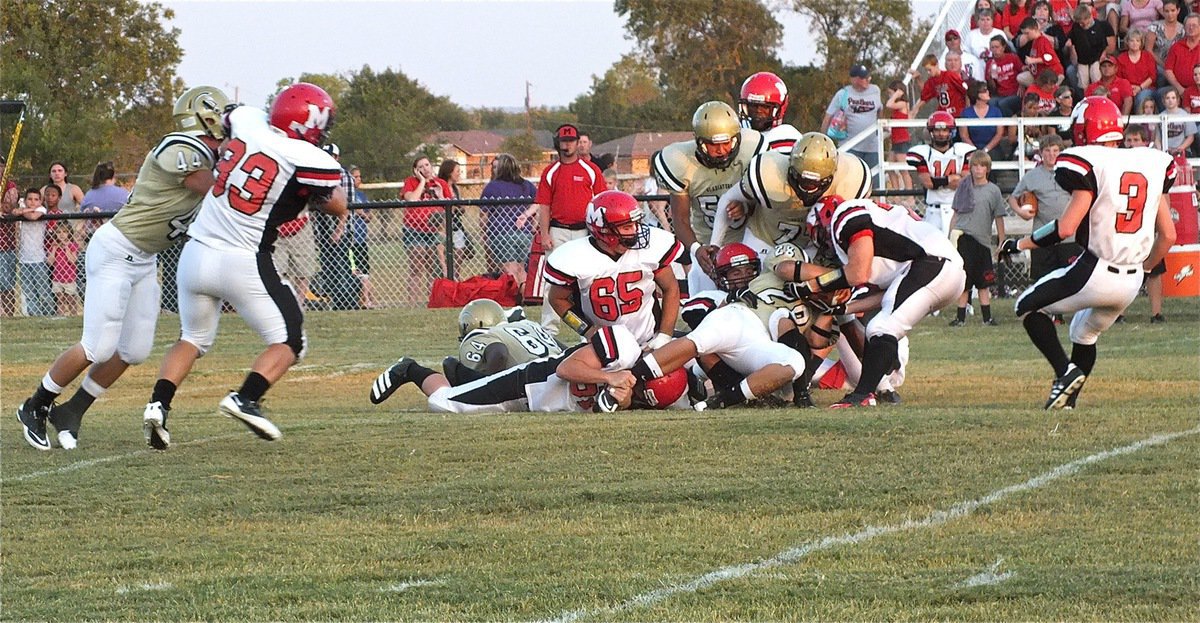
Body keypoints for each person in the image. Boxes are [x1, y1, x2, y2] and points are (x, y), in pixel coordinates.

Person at [13, 86, 232, 451]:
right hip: (117, 250)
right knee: (97, 345)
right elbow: (210, 187)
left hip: (145, 259)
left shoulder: (209, 158)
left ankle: (72, 411)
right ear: (207, 118)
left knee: (133, 350)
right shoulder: (179, 146)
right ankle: (34, 405)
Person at [141, 82, 346, 448]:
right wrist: (325, 160)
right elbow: (338, 205)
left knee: (192, 337)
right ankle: (246, 397)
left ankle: (158, 405)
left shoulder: (248, 120)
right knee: (290, 340)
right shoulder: (310, 158)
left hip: (196, 253)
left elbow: (227, 125)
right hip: (243, 258)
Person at [1001, 96, 1177, 409]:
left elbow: (1066, 228)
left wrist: (1020, 244)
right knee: (1083, 333)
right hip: (1132, 278)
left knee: (1026, 306)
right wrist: (1147, 268)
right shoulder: (1152, 162)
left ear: (1084, 129)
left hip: (1096, 270)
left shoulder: (1089, 161)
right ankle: (1067, 403)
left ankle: (1064, 372)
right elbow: (1169, 235)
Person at [799, 195, 966, 408]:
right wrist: (844, 307)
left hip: (933, 262)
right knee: (884, 322)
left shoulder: (845, 215)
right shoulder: (883, 250)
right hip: (940, 271)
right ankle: (878, 385)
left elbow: (858, 273)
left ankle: (861, 395)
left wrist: (813, 286)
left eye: (822, 237)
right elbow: (886, 295)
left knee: (881, 327)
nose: (828, 246)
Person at [627, 243, 821, 411]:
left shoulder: (788, 304)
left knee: (794, 361)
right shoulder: (716, 299)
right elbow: (700, 325)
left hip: (760, 355)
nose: (742, 278)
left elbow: (815, 340)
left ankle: (728, 399)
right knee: (700, 345)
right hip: (716, 355)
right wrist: (729, 299)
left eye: (748, 271)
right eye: (736, 272)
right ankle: (629, 379)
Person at [369, 325, 689, 414]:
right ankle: (410, 370)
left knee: (458, 398)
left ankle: (461, 377)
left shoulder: (633, 395)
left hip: (536, 405)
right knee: (443, 404)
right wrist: (608, 378)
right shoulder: (623, 347)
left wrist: (625, 398)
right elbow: (566, 368)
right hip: (527, 383)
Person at [543, 190, 682, 349]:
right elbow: (557, 299)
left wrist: (664, 335)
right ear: (604, 230)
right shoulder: (577, 257)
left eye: (636, 224)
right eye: (627, 227)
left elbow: (671, 288)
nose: (635, 232)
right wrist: (587, 330)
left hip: (649, 339)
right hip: (606, 346)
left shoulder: (649, 249)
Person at [653, 102, 765, 294]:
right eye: (713, 144)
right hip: (709, 243)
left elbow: (765, 201)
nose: (721, 150)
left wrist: (747, 207)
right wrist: (696, 249)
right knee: (705, 300)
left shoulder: (752, 148)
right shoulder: (679, 161)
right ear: (699, 141)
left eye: (726, 142)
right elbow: (679, 218)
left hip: (749, 240)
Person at [710, 132, 871, 260]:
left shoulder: (852, 180)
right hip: (764, 242)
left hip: (814, 249)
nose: (807, 190)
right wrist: (715, 245)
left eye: (814, 184)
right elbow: (728, 199)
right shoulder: (767, 174)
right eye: (802, 181)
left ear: (831, 177)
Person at [534, 123, 607, 331]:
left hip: (585, 231)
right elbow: (544, 206)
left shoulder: (591, 170)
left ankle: (590, 329)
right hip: (559, 231)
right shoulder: (551, 172)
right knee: (553, 280)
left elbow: (600, 201)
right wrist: (545, 233)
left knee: (588, 281)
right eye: (564, 141)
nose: (567, 145)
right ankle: (549, 329)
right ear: (558, 144)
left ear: (577, 143)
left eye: (571, 141)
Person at [1010, 134, 1080, 297]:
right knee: (1044, 279)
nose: (1051, 154)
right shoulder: (1032, 176)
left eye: (1055, 150)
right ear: (1041, 153)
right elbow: (1013, 198)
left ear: (1061, 152)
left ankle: (1070, 312)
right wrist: (1021, 212)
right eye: (1047, 151)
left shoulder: (1072, 173)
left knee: (1072, 277)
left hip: (1070, 234)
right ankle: (1049, 313)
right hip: (1044, 232)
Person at [439, 298, 564, 385]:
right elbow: (566, 350)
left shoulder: (482, 334)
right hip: (563, 377)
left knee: (450, 364)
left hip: (534, 383)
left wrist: (490, 386)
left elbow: (499, 353)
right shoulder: (529, 325)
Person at [948, 150, 1008, 326]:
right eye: (975, 165)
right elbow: (956, 214)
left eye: (982, 166)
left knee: (983, 282)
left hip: (982, 240)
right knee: (964, 282)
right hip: (964, 237)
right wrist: (949, 237)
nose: (978, 169)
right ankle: (960, 317)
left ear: (987, 169)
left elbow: (998, 217)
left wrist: (1001, 241)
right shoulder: (964, 188)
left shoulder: (993, 191)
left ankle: (987, 317)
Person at [1122, 126, 1169, 322]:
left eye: (1135, 140)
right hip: (1124, 222)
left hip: (1147, 221)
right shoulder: (1118, 161)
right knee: (1122, 268)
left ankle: (1156, 313)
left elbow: (1163, 192)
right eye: (1129, 140)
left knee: (1154, 269)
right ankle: (1118, 313)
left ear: (1144, 141)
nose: (1132, 144)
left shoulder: (1153, 163)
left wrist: (1164, 221)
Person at [906, 111, 978, 236]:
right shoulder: (923, 153)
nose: (941, 134)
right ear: (931, 132)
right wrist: (949, 180)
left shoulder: (962, 151)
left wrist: (938, 182)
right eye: (937, 130)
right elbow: (928, 183)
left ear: (951, 131)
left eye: (945, 130)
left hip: (957, 210)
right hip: (933, 212)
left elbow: (964, 182)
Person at [400, 155, 452, 306]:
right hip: (414, 230)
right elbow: (412, 199)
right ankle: (412, 304)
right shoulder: (410, 182)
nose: (425, 169)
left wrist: (440, 194)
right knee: (416, 267)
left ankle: (433, 302)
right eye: (421, 167)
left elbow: (451, 207)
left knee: (433, 268)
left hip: (435, 231)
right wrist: (422, 182)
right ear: (415, 170)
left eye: (427, 165)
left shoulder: (440, 183)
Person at [480, 153, 536, 289]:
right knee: (522, 269)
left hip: (501, 233)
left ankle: (514, 297)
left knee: (509, 270)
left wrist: (483, 233)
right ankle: (524, 296)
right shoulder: (527, 185)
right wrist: (527, 215)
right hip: (524, 234)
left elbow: (483, 214)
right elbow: (539, 201)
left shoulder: (492, 187)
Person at [78, 161, 129, 297]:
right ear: (113, 176)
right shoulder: (123, 194)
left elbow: (83, 215)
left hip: (95, 240)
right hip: (118, 240)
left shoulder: (90, 195)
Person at [820, 65, 883, 169]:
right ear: (854, 79)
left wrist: (880, 125)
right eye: (863, 78)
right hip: (849, 146)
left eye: (868, 77)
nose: (868, 80)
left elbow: (880, 109)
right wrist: (822, 141)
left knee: (874, 180)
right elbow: (828, 117)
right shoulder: (842, 94)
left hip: (872, 147)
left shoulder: (875, 90)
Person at [738, 71, 802, 153]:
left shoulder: (785, 134)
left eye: (765, 107)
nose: (758, 111)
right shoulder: (738, 135)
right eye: (752, 106)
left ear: (780, 108)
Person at [13, 187, 53, 316]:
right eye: (29, 199)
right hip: (24, 259)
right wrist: (23, 210)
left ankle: (49, 312)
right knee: (28, 290)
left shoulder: (41, 209)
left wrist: (23, 210)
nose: (33, 202)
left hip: (39, 258)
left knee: (43, 289)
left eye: (36, 199)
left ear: (40, 201)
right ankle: (34, 314)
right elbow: (14, 212)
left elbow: (33, 216)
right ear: (25, 200)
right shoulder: (26, 208)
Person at [436, 158, 471, 276]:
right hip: (442, 226)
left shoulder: (456, 189)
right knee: (442, 254)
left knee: (459, 253)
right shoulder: (439, 186)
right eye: (457, 171)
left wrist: (459, 207)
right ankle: (446, 276)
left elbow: (460, 208)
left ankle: (455, 276)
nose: (459, 174)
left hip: (456, 224)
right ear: (449, 172)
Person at [959, 82, 1010, 160]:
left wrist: (985, 150)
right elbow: (964, 136)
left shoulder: (996, 111)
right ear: (976, 94)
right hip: (971, 149)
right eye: (984, 90)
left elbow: (999, 134)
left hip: (992, 149)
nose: (988, 92)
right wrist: (974, 150)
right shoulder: (966, 113)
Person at [347, 165, 375, 309]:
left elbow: (368, 215)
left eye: (359, 176)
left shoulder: (362, 196)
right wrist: (361, 213)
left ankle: (368, 299)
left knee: (365, 271)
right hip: (351, 240)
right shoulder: (347, 194)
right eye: (356, 176)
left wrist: (364, 214)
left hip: (361, 239)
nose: (359, 179)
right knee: (354, 270)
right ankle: (362, 299)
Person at [1116, 29, 1160, 113]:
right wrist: (1129, 88)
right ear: (1127, 42)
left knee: (1142, 96)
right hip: (1127, 89)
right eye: (1131, 40)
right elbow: (1119, 78)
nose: (1134, 43)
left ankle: (1140, 124)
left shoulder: (1147, 56)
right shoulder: (1121, 58)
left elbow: (1152, 76)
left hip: (1146, 88)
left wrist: (1140, 88)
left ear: (1141, 43)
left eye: (1137, 40)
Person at [884, 81, 914, 202]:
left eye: (891, 93)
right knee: (890, 168)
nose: (890, 96)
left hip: (902, 140)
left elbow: (889, 104)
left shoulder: (902, 103)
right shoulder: (897, 108)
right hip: (895, 140)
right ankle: (896, 195)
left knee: (903, 170)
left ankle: (910, 197)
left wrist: (896, 95)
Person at [1160, 14, 1200, 105]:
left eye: (1194, 25)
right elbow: (1168, 70)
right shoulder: (1176, 47)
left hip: (1199, 88)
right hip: (1178, 88)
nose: (1190, 28)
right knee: (1161, 93)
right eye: (1188, 26)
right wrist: (1180, 89)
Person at [916, 52, 970, 117]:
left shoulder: (949, 75)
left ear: (936, 65)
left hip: (958, 113)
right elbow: (924, 94)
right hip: (944, 114)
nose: (928, 72)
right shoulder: (931, 81)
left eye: (930, 70)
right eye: (926, 70)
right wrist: (918, 78)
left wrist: (967, 109)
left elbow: (966, 91)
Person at [1017, 17, 1066, 87]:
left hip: (1053, 74)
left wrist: (1033, 60)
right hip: (1041, 75)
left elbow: (1050, 57)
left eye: (1027, 33)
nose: (1025, 36)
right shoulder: (1034, 41)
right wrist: (1029, 67)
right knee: (1021, 77)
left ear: (1035, 29)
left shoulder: (1043, 41)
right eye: (1024, 34)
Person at [45, 225, 80, 316]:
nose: (61, 235)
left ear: (69, 233)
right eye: (59, 232)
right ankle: (61, 315)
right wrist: (54, 249)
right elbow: (50, 262)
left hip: (69, 278)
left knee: (71, 299)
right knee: (60, 299)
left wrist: (67, 249)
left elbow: (73, 260)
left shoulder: (72, 245)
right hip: (57, 277)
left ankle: (73, 315)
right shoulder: (54, 245)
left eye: (64, 232)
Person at [0, 155, 19, 316]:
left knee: (6, 283)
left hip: (5, 244)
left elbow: (8, 206)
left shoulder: (10, 186)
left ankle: (8, 314)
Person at [987, 35, 1024, 115]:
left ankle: (1010, 125)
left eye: (997, 47)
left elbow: (1023, 72)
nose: (995, 50)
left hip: (1015, 93)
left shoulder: (1012, 58)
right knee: (991, 103)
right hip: (1001, 94)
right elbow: (993, 88)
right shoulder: (990, 63)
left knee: (1003, 104)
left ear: (1003, 47)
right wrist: (990, 78)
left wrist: (1022, 85)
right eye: (992, 47)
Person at [1161, 87, 1197, 157]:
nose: (1170, 100)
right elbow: (1157, 138)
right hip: (1165, 151)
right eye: (1167, 98)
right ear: (1163, 101)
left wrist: (1179, 149)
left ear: (1178, 100)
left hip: (1183, 150)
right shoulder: (1160, 117)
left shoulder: (1185, 115)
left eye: (1173, 98)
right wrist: (1163, 149)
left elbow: (1191, 137)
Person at [1147, 0, 1185, 65]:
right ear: (1163, 12)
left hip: (1176, 66)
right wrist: (1163, 65)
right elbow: (1148, 49)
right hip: (1156, 65)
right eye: (1167, 11)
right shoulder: (1155, 26)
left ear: (1178, 11)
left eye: (1173, 10)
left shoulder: (1183, 29)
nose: (1170, 14)